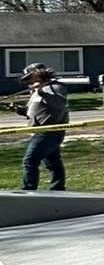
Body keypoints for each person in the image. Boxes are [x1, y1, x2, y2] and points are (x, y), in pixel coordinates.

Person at [19, 63, 69, 191]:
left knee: (29, 161)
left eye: (30, 77)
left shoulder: (55, 87)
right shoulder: (37, 90)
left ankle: (29, 190)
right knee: (53, 163)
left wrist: (41, 91)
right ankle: (57, 189)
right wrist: (22, 110)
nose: (28, 81)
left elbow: (59, 104)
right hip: (39, 131)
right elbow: (39, 109)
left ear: (39, 74)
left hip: (49, 131)